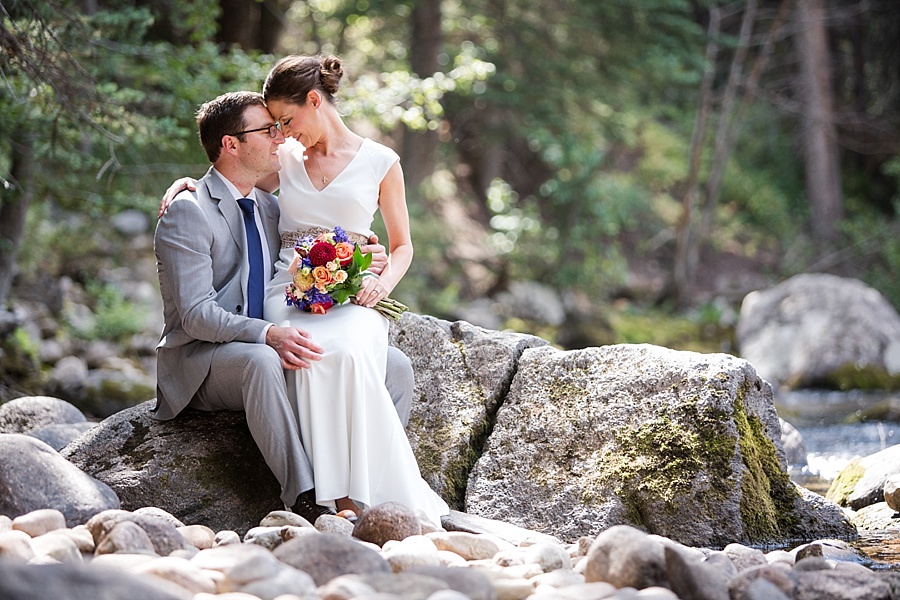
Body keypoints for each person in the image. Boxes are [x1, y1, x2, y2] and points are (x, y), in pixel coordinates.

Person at [153, 90, 416, 524]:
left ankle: (368, 489)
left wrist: (367, 260)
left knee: (395, 364)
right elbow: (197, 315)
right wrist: (269, 335)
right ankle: (306, 498)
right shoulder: (188, 210)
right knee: (262, 360)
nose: (280, 138)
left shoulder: (271, 206)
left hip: (274, 335)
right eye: (267, 130)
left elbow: (314, 245)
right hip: (203, 359)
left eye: (280, 127)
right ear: (231, 144)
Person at [260, 55, 448, 525]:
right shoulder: (282, 158)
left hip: (354, 291)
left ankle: (352, 499)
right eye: (275, 124)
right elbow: (231, 177)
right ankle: (329, 499)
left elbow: (402, 246)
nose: (281, 133)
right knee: (312, 353)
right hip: (288, 288)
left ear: (314, 100)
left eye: (286, 120)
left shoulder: (381, 161)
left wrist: (381, 283)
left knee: (348, 353)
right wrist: (186, 184)